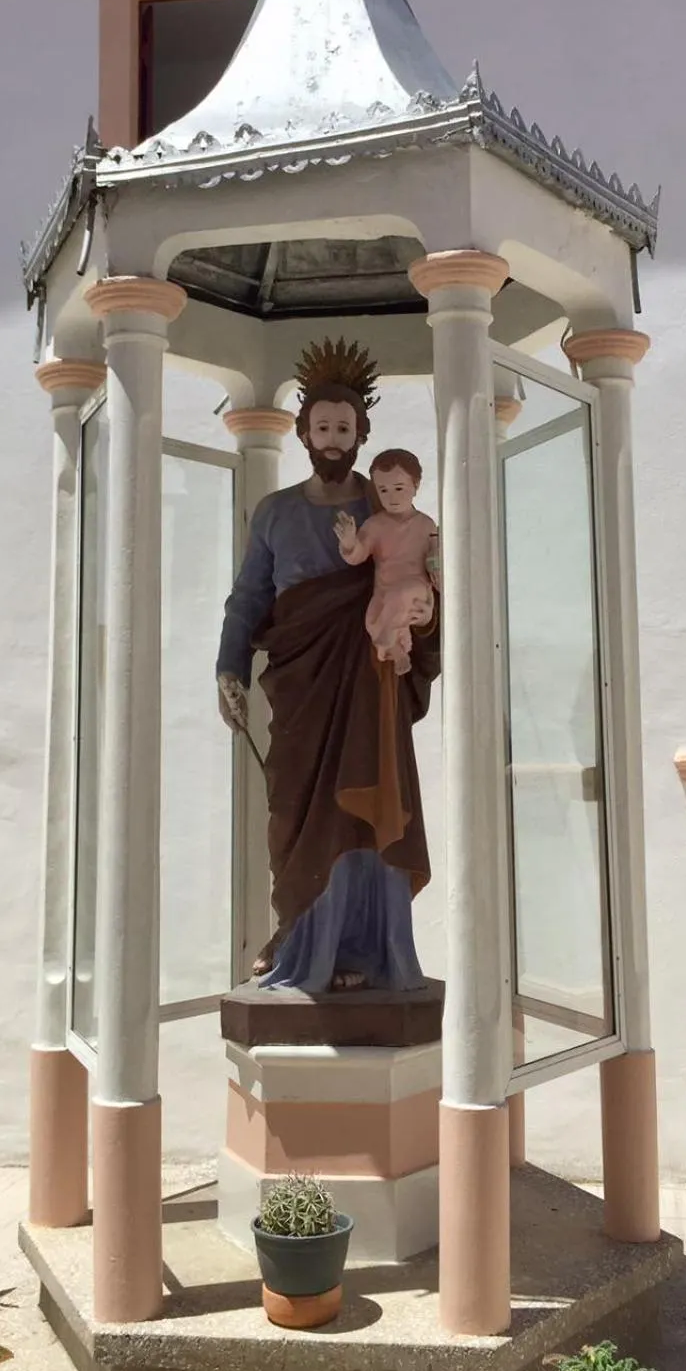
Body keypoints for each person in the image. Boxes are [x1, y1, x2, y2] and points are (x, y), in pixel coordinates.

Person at [215, 340, 439, 994]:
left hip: (369, 682)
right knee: (294, 812)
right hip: (301, 686)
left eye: (345, 427)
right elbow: (249, 597)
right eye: (322, 426)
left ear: (362, 433)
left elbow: (426, 580)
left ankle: (369, 953)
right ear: (304, 433)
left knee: (369, 811)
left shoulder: (390, 511)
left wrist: (423, 619)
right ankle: (302, 944)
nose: (333, 437)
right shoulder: (277, 512)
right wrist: (229, 668)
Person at [335, 449, 438, 677]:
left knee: (400, 599)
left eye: (399, 488)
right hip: (384, 590)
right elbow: (358, 555)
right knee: (372, 620)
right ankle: (397, 650)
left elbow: (436, 562)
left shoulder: (426, 525)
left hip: (416, 588)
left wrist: (437, 582)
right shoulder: (375, 525)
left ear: (416, 486)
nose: (392, 497)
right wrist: (350, 542)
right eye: (383, 490)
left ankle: (389, 637)